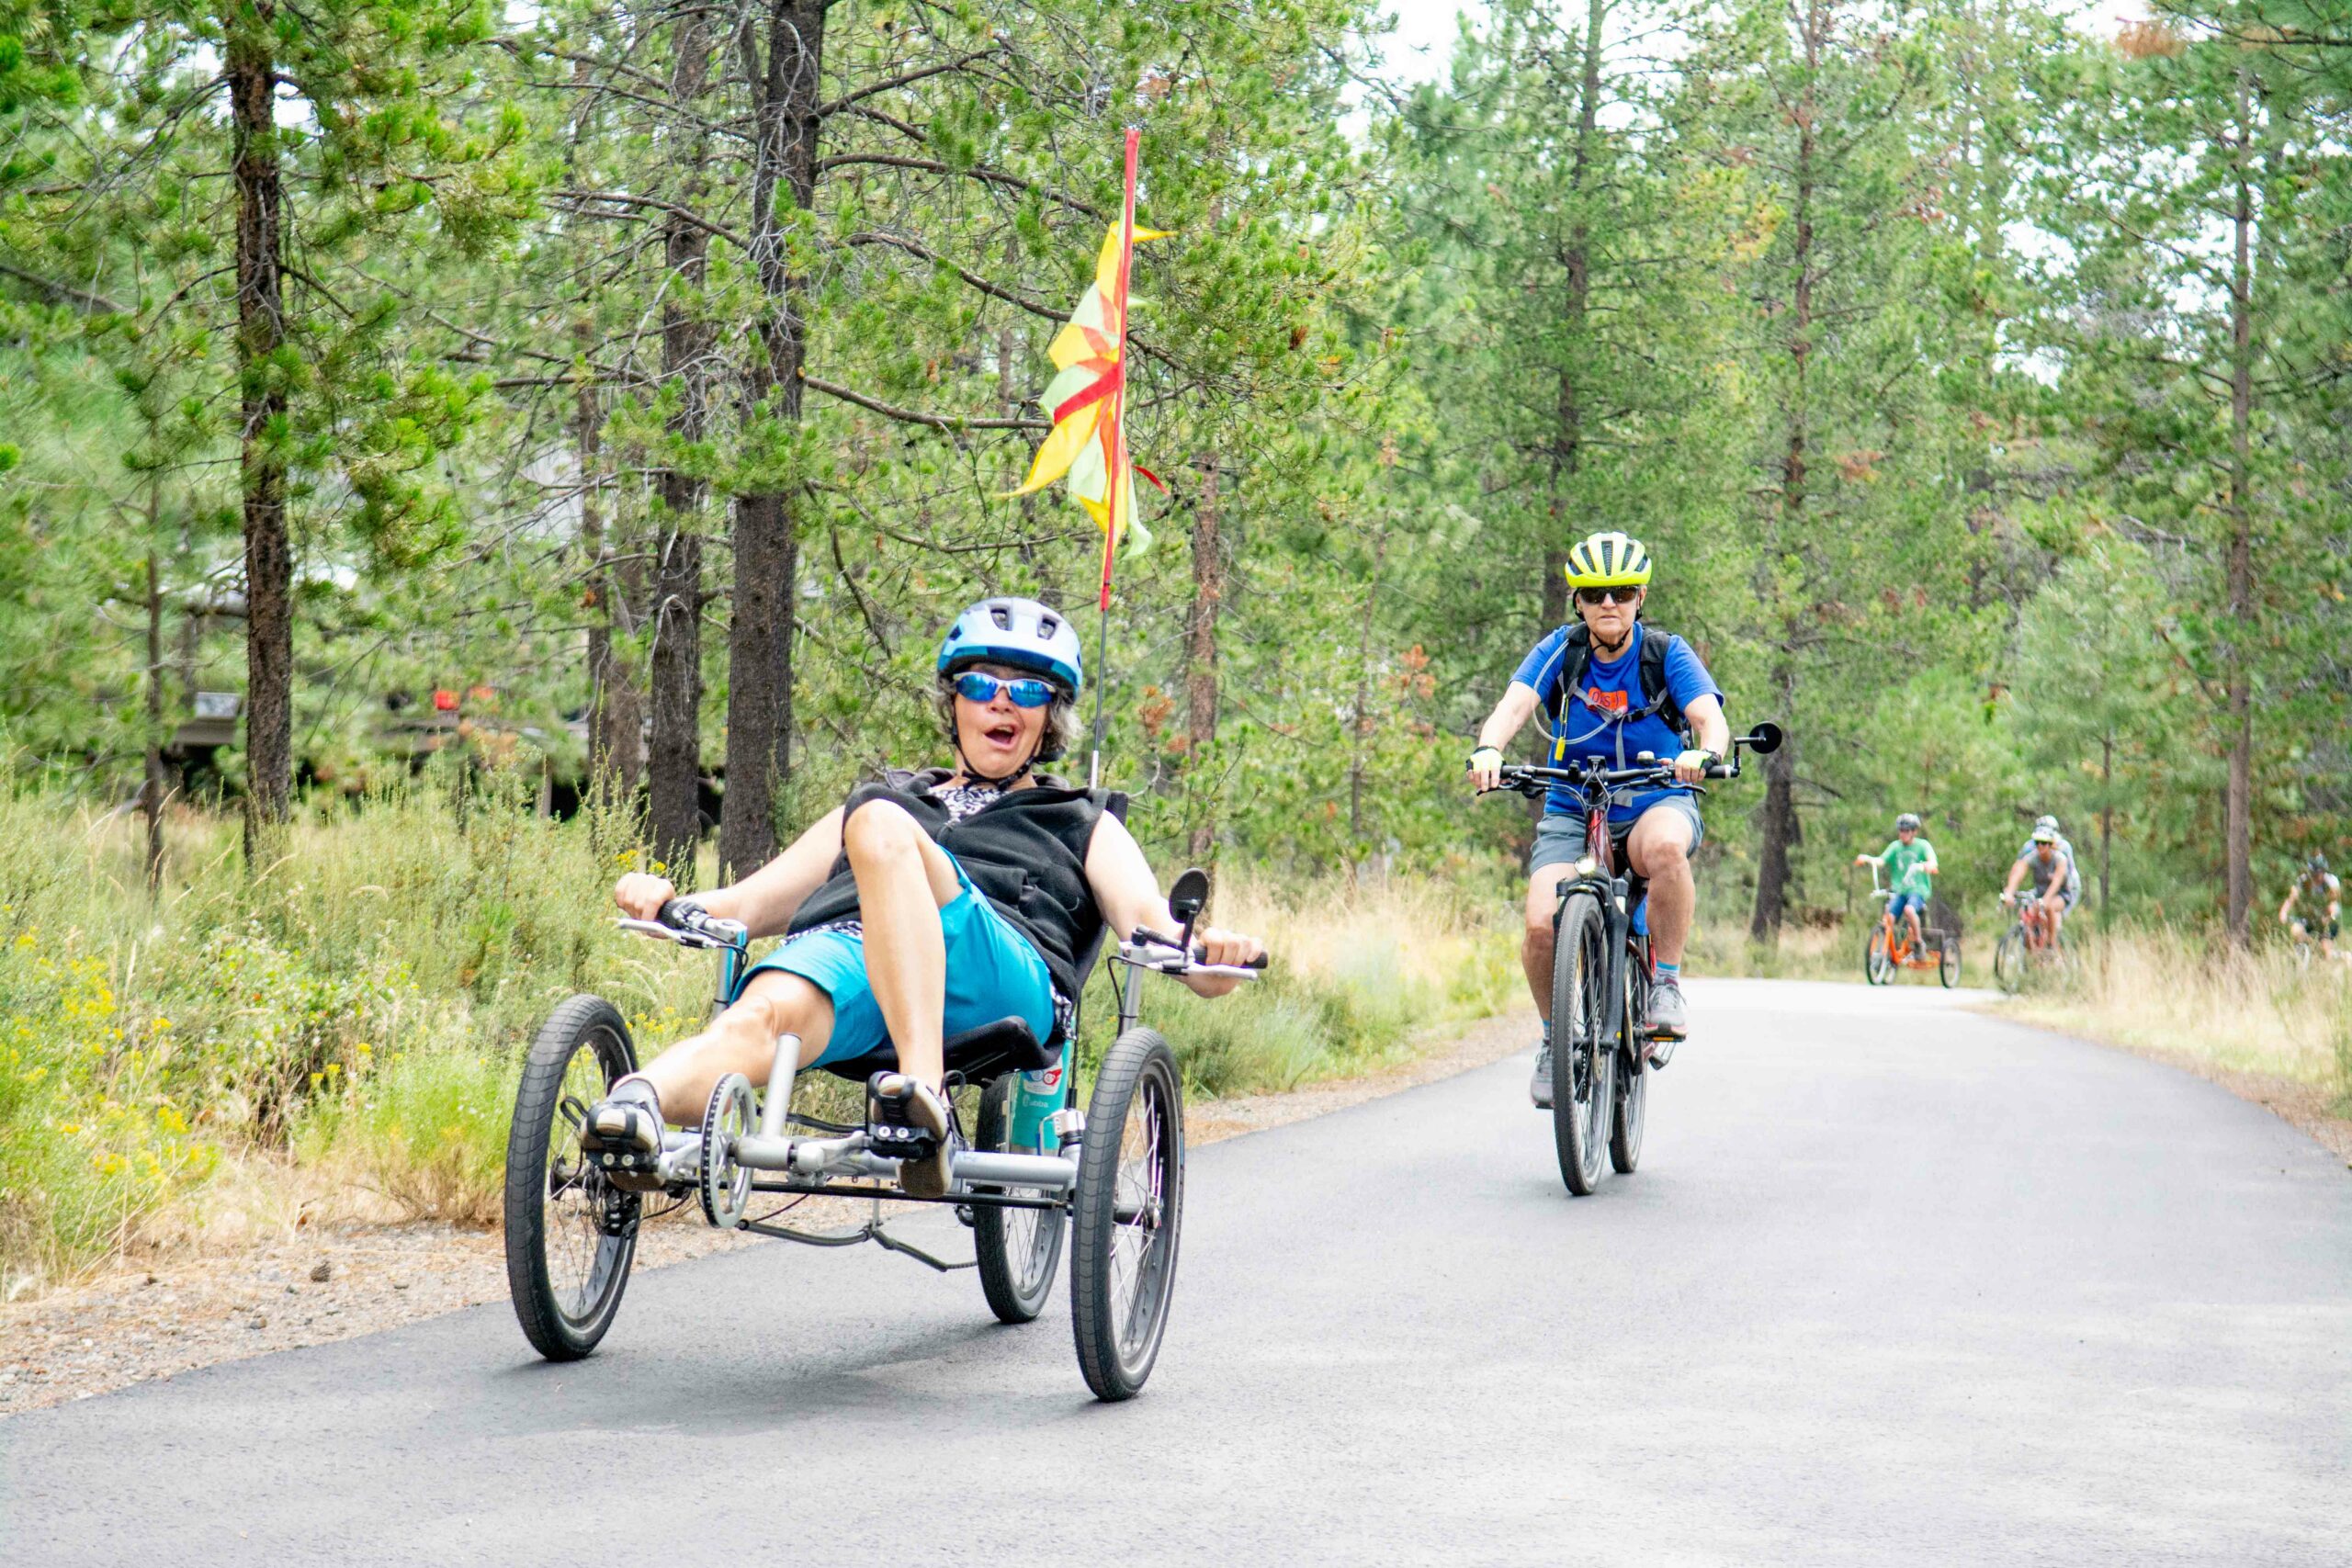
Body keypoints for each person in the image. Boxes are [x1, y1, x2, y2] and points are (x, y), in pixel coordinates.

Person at [578, 596, 1264, 1197]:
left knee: (876, 823)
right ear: (954, 701)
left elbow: (1154, 931)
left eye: (1027, 691)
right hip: (856, 956)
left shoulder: (1084, 819)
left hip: (995, 970)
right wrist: (665, 896)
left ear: (1049, 718)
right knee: (757, 1016)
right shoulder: (894, 797)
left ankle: (921, 1095)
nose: (1002, 701)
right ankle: (634, 1108)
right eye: (982, 684)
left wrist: (1209, 954)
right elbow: (749, 905)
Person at [1466, 529, 1731, 1105]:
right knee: (1541, 924)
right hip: (1574, 801)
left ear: (1639, 598)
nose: (1607, 602)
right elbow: (1512, 708)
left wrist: (1702, 753)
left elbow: (1710, 720)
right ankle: (1553, 1039)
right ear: (1578, 602)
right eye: (1593, 593)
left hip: (1654, 796)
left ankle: (1664, 985)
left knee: (1664, 851)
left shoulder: (1666, 653)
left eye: (1620, 591)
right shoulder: (1562, 651)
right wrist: (1489, 749)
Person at [1856, 813, 1939, 953]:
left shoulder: (1922, 846)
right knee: (1888, 916)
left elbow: (1933, 862)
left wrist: (1927, 866)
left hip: (1917, 890)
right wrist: (1868, 859)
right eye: (1901, 830)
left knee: (1909, 910)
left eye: (1906, 831)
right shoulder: (1895, 846)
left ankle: (1919, 943)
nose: (1903, 834)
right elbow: (1881, 861)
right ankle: (1887, 950)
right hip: (1900, 891)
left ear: (1914, 831)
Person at [2000, 820, 2079, 946]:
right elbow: (2019, 871)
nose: (2041, 846)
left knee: (2050, 907)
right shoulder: (2032, 857)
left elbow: (2057, 882)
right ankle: (2034, 950)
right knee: (2026, 914)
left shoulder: (2060, 858)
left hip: (2061, 893)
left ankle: (2051, 944)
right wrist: (2009, 891)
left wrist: (2045, 900)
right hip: (2040, 892)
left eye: (2044, 843)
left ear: (2050, 844)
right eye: (2037, 843)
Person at [2280, 852, 2342, 961]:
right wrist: (2283, 912)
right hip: (2311, 919)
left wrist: (2328, 916)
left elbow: (2333, 903)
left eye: (2321, 872)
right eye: (2315, 873)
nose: (2318, 876)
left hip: (2327, 920)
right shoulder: (2303, 881)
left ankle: (2339, 957)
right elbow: (2292, 898)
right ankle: (2303, 957)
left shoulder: (2331, 881)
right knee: (2296, 930)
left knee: (2325, 949)